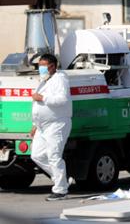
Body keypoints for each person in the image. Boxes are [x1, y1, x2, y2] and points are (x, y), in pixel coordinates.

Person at [30, 53, 72, 201]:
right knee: (36, 155)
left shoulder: (60, 79)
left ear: (53, 66)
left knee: (54, 156)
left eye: (43, 66)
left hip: (57, 124)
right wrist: (35, 124)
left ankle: (61, 190)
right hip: (42, 126)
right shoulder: (44, 81)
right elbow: (38, 106)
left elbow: (62, 100)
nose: (40, 68)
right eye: (39, 65)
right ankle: (62, 179)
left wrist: (42, 98)